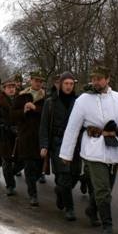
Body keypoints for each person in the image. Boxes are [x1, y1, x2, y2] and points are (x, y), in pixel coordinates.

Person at [59, 65, 118, 234]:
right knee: (102, 190)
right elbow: (73, 127)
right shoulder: (83, 100)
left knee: (106, 189)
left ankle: (92, 209)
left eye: (99, 78)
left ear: (107, 79)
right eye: (93, 78)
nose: (95, 82)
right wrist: (66, 154)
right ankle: (107, 224)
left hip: (114, 149)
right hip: (93, 150)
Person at [39, 71, 81, 220]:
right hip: (57, 143)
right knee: (64, 176)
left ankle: (60, 191)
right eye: (66, 84)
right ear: (60, 85)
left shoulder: (79, 102)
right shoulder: (50, 103)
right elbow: (44, 126)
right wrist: (44, 145)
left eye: (71, 84)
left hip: (75, 144)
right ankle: (70, 209)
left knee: (75, 174)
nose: (69, 87)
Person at [12, 71, 46, 206]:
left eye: (40, 81)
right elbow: (13, 115)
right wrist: (23, 111)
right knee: (29, 166)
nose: (38, 83)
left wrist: (35, 108)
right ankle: (33, 194)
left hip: (40, 137)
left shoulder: (46, 97)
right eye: (36, 80)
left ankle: (21, 171)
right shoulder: (22, 97)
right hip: (25, 137)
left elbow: (48, 114)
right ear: (30, 81)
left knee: (38, 167)